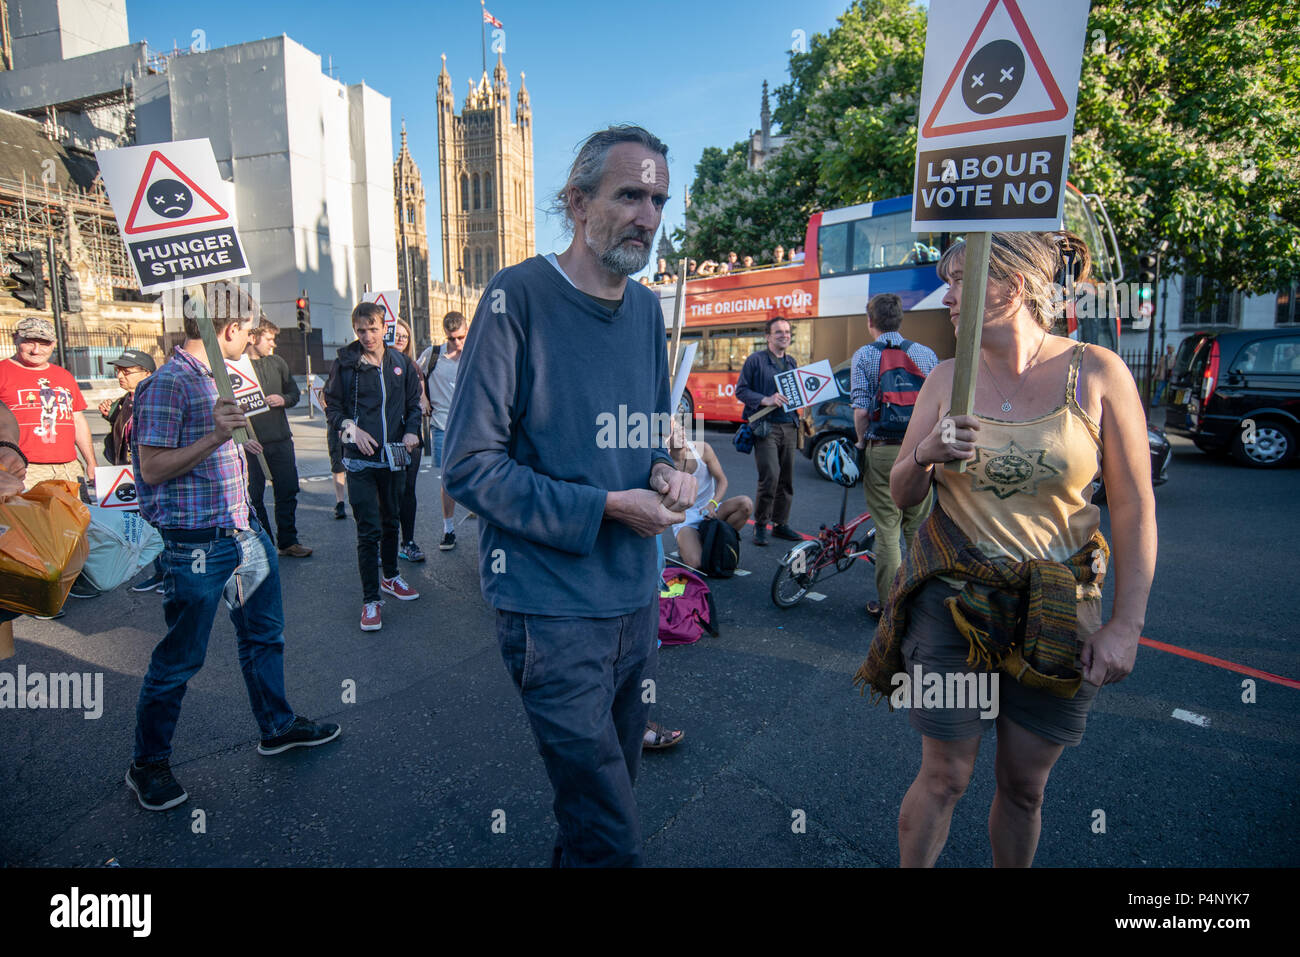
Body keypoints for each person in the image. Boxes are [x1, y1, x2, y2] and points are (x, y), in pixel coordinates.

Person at [852, 231, 1156, 867]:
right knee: (945, 776)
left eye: (962, 279)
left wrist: (1127, 624)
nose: (947, 293)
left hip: (1059, 610)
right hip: (953, 610)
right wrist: (927, 454)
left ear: (1012, 285)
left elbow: (1133, 507)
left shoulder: (1096, 370)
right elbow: (903, 493)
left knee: (1024, 786)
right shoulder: (942, 378)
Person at [443, 124, 695, 867]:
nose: (648, 216)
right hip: (551, 614)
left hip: (634, 602)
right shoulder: (514, 297)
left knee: (597, 814)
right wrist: (610, 507)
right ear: (577, 202)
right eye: (630, 195)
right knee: (610, 832)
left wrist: (664, 472)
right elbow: (469, 466)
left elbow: (649, 438)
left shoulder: (648, 312)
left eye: (658, 199)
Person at [125, 281, 340, 812]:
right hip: (196, 544)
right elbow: (151, 469)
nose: (250, 341)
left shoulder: (219, 377)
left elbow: (208, 452)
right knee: (181, 658)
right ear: (228, 328)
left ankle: (277, 726)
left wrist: (234, 446)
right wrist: (215, 440)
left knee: (264, 637)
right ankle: (147, 764)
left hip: (244, 531)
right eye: (247, 331)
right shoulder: (168, 383)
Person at [324, 302, 423, 632]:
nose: (367, 335)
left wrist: (411, 431)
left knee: (391, 520)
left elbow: (413, 404)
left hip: (393, 456)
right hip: (359, 460)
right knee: (368, 529)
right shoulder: (346, 363)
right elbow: (332, 406)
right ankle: (371, 600)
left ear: (385, 327)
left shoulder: (401, 362)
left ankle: (391, 577)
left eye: (373, 328)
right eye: (361, 330)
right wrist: (351, 429)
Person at [851, 293, 939, 617]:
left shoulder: (864, 356)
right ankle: (920, 603)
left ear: (870, 321)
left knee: (887, 528)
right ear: (900, 319)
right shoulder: (925, 354)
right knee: (917, 527)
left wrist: (861, 444)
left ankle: (891, 606)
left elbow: (861, 411)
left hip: (884, 449)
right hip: (921, 451)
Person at [0, 316, 99, 600]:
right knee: (35, 532)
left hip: (66, 465)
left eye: (43, 342)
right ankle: (39, 590)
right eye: (29, 341)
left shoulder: (63, 376)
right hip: (25, 468)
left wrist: (90, 461)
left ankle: (68, 581)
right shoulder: (3, 371)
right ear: (16, 338)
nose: (36, 348)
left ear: (53, 345)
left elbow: (77, 419)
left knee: (71, 527)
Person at [96, 349, 167, 594]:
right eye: (118, 371)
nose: (120, 376)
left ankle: (170, 574)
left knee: (161, 525)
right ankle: (160, 573)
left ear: (147, 373)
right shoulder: (125, 401)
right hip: (129, 474)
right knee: (141, 524)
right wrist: (111, 416)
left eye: (126, 371)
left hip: (157, 473)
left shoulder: (160, 398)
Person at [244, 320, 311, 559]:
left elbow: (294, 393)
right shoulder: (236, 367)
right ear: (253, 338)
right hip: (251, 444)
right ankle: (265, 544)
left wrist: (283, 399)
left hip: (281, 439)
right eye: (269, 339)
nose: (274, 343)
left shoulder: (278, 362)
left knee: (287, 490)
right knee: (253, 496)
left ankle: (288, 541)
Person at [734, 316, 800, 546]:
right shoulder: (755, 361)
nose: (784, 335)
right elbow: (741, 391)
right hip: (766, 428)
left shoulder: (792, 362)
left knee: (787, 479)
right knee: (770, 476)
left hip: (789, 425)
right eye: (778, 332)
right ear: (768, 336)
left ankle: (781, 524)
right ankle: (761, 524)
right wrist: (766, 399)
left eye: (787, 331)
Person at [666, 417, 753, 569]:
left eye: (682, 430)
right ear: (666, 439)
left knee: (745, 504)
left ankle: (717, 540)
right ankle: (689, 543)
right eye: (675, 432)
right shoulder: (663, 464)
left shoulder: (702, 450)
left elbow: (722, 481)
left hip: (710, 509)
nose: (682, 434)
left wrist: (712, 504)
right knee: (697, 564)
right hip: (685, 517)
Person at [425, 311, 468, 551]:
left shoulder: (474, 353)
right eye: (452, 339)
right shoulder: (432, 355)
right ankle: (448, 528)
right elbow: (415, 374)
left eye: (461, 337)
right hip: (441, 425)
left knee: (480, 472)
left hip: (470, 426)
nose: (458, 343)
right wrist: (422, 397)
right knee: (447, 478)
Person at [391, 319, 429, 562]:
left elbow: (419, 400)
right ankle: (385, 544)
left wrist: (423, 403)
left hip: (410, 438)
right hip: (385, 438)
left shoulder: (412, 366)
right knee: (387, 493)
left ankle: (408, 541)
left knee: (407, 490)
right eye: (397, 335)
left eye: (405, 336)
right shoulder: (372, 364)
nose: (401, 339)